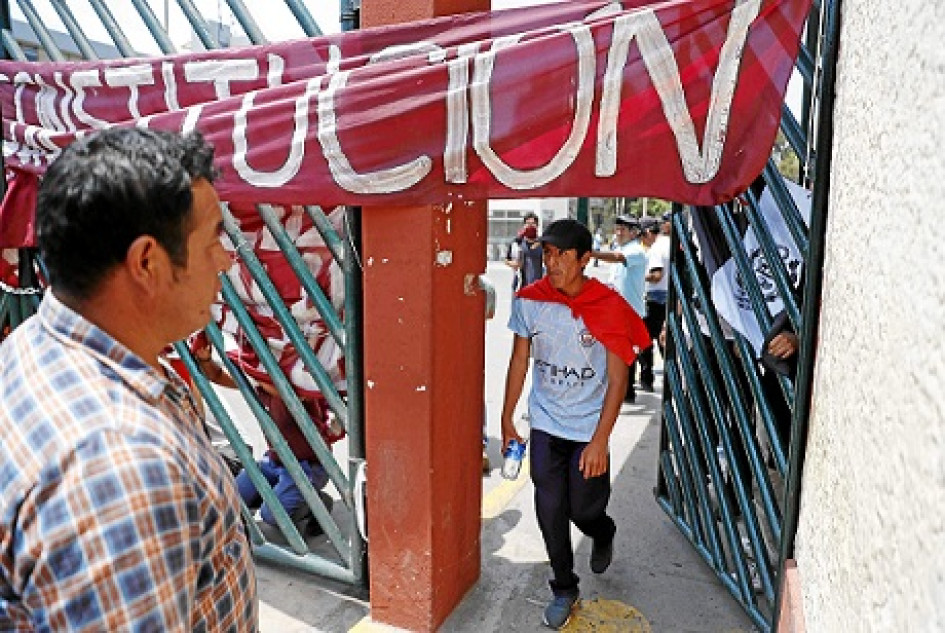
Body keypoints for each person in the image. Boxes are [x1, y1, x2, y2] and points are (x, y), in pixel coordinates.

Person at [0, 128, 257, 630]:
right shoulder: (120, 467)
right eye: (212, 241)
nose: (225, 261)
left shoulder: (35, 344)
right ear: (147, 262)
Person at [500, 219, 650, 630]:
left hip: (588, 428)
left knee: (584, 509)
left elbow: (619, 380)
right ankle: (564, 587)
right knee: (550, 506)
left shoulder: (610, 306)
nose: (553, 262)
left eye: (563, 254)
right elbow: (519, 360)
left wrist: (601, 440)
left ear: (586, 259)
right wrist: (507, 416)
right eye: (548, 253)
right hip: (547, 422)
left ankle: (603, 531)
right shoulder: (530, 301)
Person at [592, 215, 647, 402]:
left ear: (633, 232)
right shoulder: (622, 247)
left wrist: (592, 254)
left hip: (631, 311)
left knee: (627, 354)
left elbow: (617, 258)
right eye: (617, 228)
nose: (618, 232)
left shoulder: (635, 251)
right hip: (617, 312)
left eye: (622, 229)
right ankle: (619, 389)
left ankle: (627, 391)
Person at [640, 213, 671, 390]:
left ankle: (647, 378)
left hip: (655, 298)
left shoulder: (656, 249)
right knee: (664, 342)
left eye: (643, 236)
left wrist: (640, 277)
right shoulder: (668, 243)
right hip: (667, 297)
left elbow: (656, 275)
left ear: (649, 232)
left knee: (646, 341)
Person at [505, 212, 543, 290]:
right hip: (520, 285)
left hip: (539, 286)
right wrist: (514, 264)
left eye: (533, 224)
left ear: (537, 225)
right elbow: (507, 259)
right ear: (524, 225)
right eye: (528, 223)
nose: (530, 226)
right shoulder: (517, 243)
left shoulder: (543, 243)